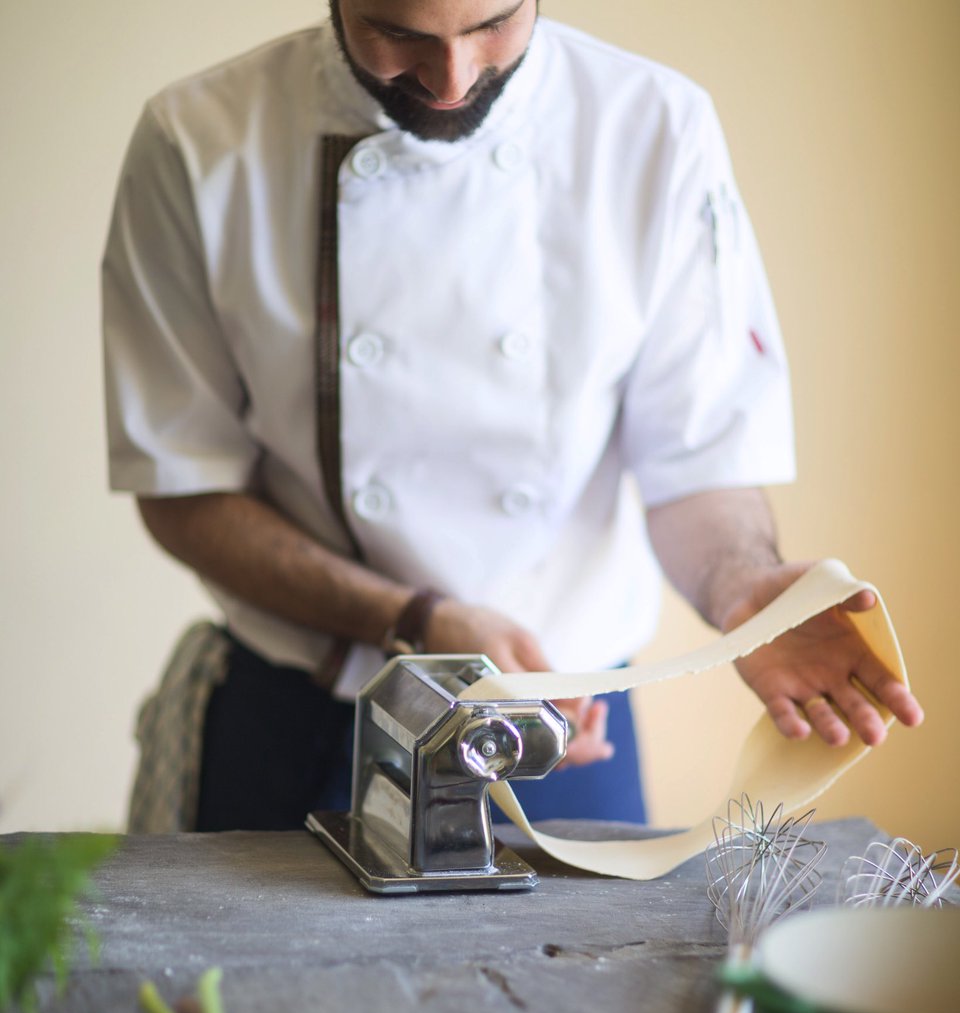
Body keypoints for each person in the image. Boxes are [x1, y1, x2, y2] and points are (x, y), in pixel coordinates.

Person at [104, 0, 922, 834]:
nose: (452, 78)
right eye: (400, 35)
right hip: (306, 720)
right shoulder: (198, 139)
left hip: (560, 729)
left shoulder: (655, 129)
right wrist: (414, 621)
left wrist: (743, 586)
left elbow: (696, 461)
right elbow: (182, 490)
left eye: (491, 25)